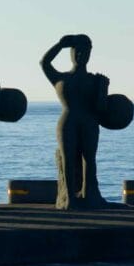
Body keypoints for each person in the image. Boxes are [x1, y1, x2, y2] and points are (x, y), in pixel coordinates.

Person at [41, 34, 109, 209]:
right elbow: (44, 63)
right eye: (77, 52)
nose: (81, 56)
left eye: (85, 52)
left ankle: (90, 196)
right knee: (67, 159)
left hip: (89, 122)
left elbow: (101, 108)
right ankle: (69, 198)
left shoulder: (95, 80)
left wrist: (103, 89)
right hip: (68, 122)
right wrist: (60, 45)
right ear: (71, 53)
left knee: (89, 159)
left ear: (90, 54)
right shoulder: (61, 78)